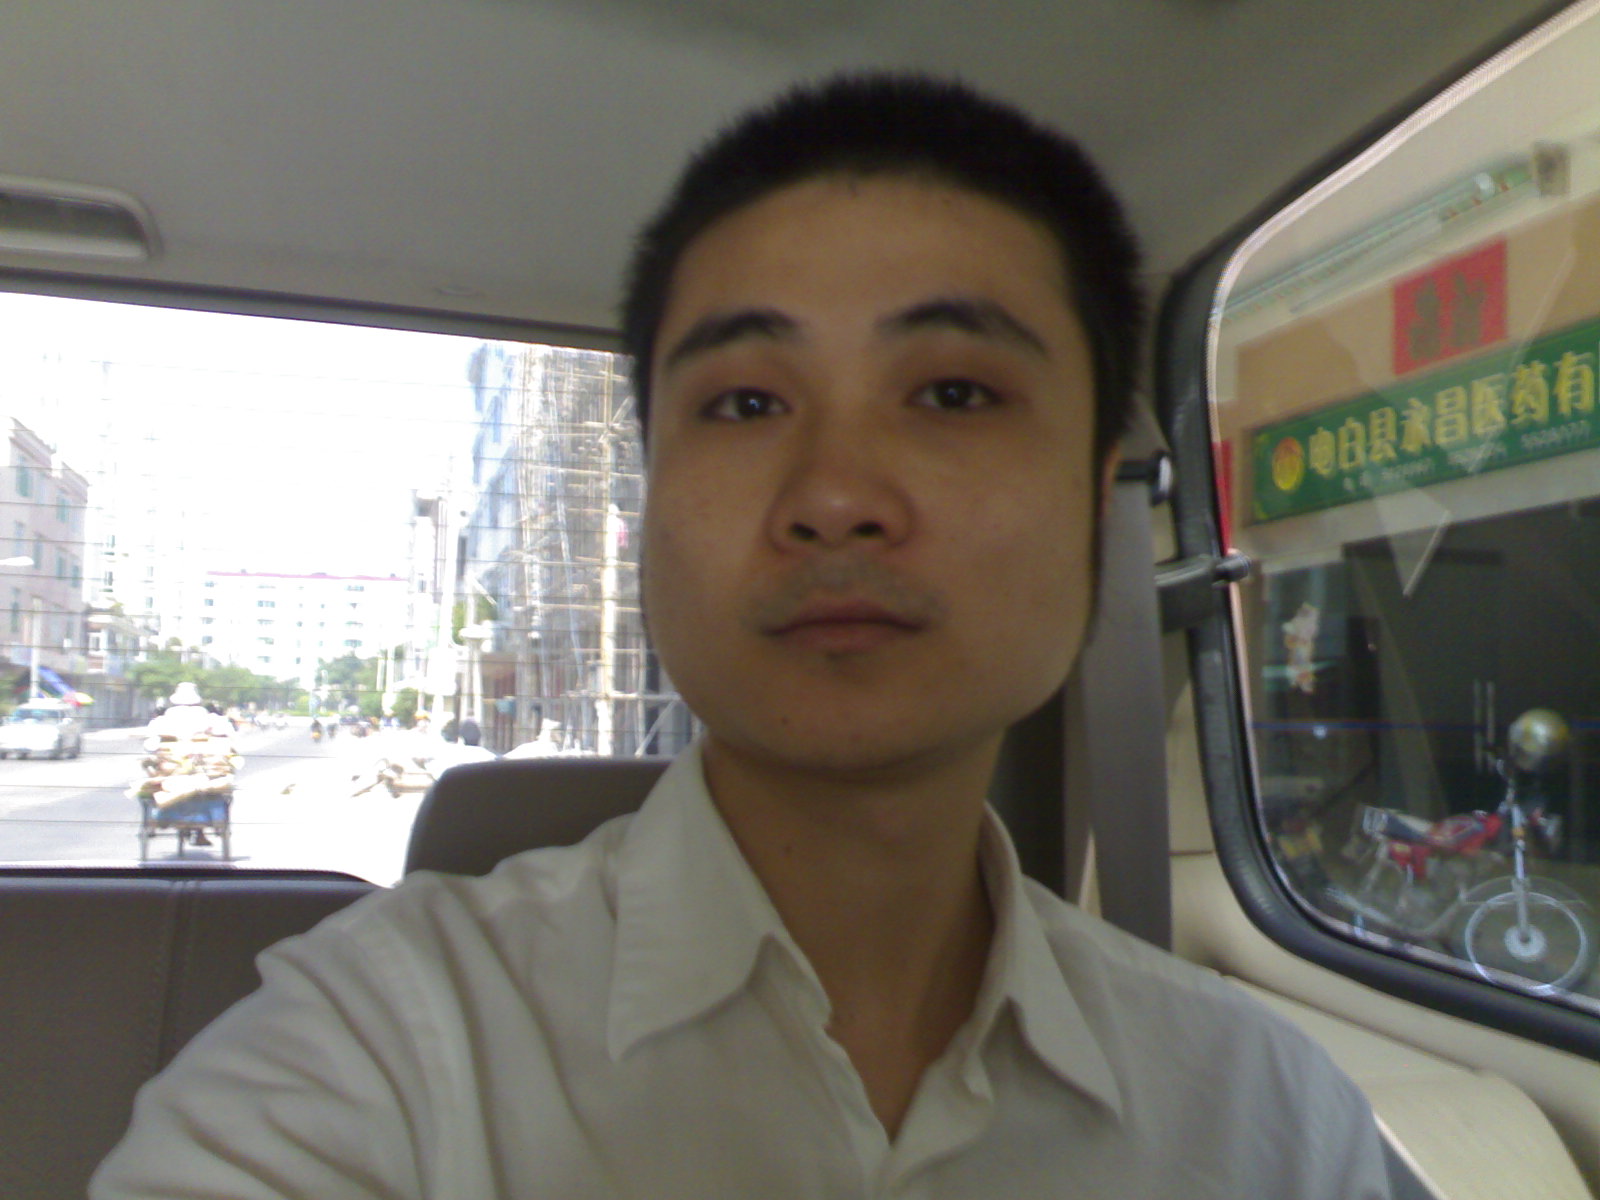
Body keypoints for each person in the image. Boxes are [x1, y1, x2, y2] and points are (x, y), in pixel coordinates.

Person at [93, 75, 1391, 1197]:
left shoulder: (1269, 1119)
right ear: (654, 499)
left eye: (952, 391)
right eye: (747, 403)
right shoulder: (382, 1050)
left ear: (1095, 496)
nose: (834, 495)